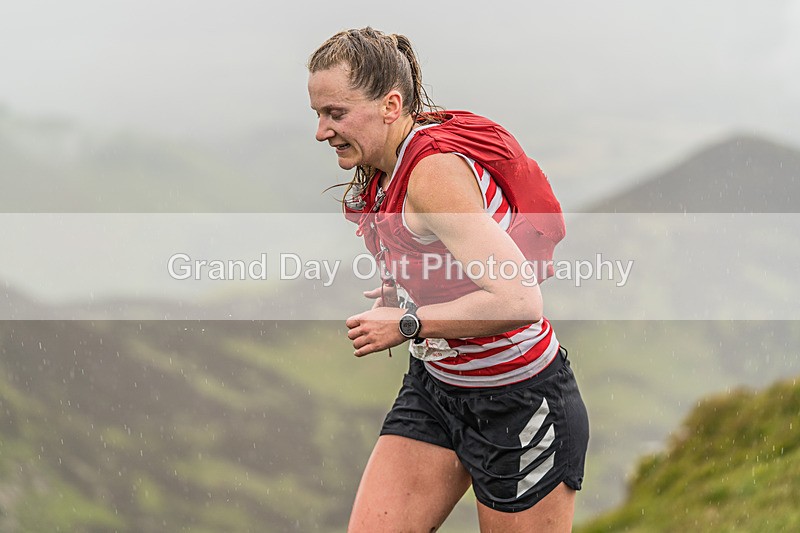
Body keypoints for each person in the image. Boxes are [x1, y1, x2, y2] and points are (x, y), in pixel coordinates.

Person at [307, 27, 589, 532]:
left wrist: (408, 323)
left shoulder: (432, 172)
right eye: (318, 114)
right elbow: (437, 248)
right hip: (435, 390)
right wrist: (405, 286)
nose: (322, 132)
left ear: (391, 106)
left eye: (336, 114)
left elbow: (521, 300)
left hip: (519, 402)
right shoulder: (385, 162)